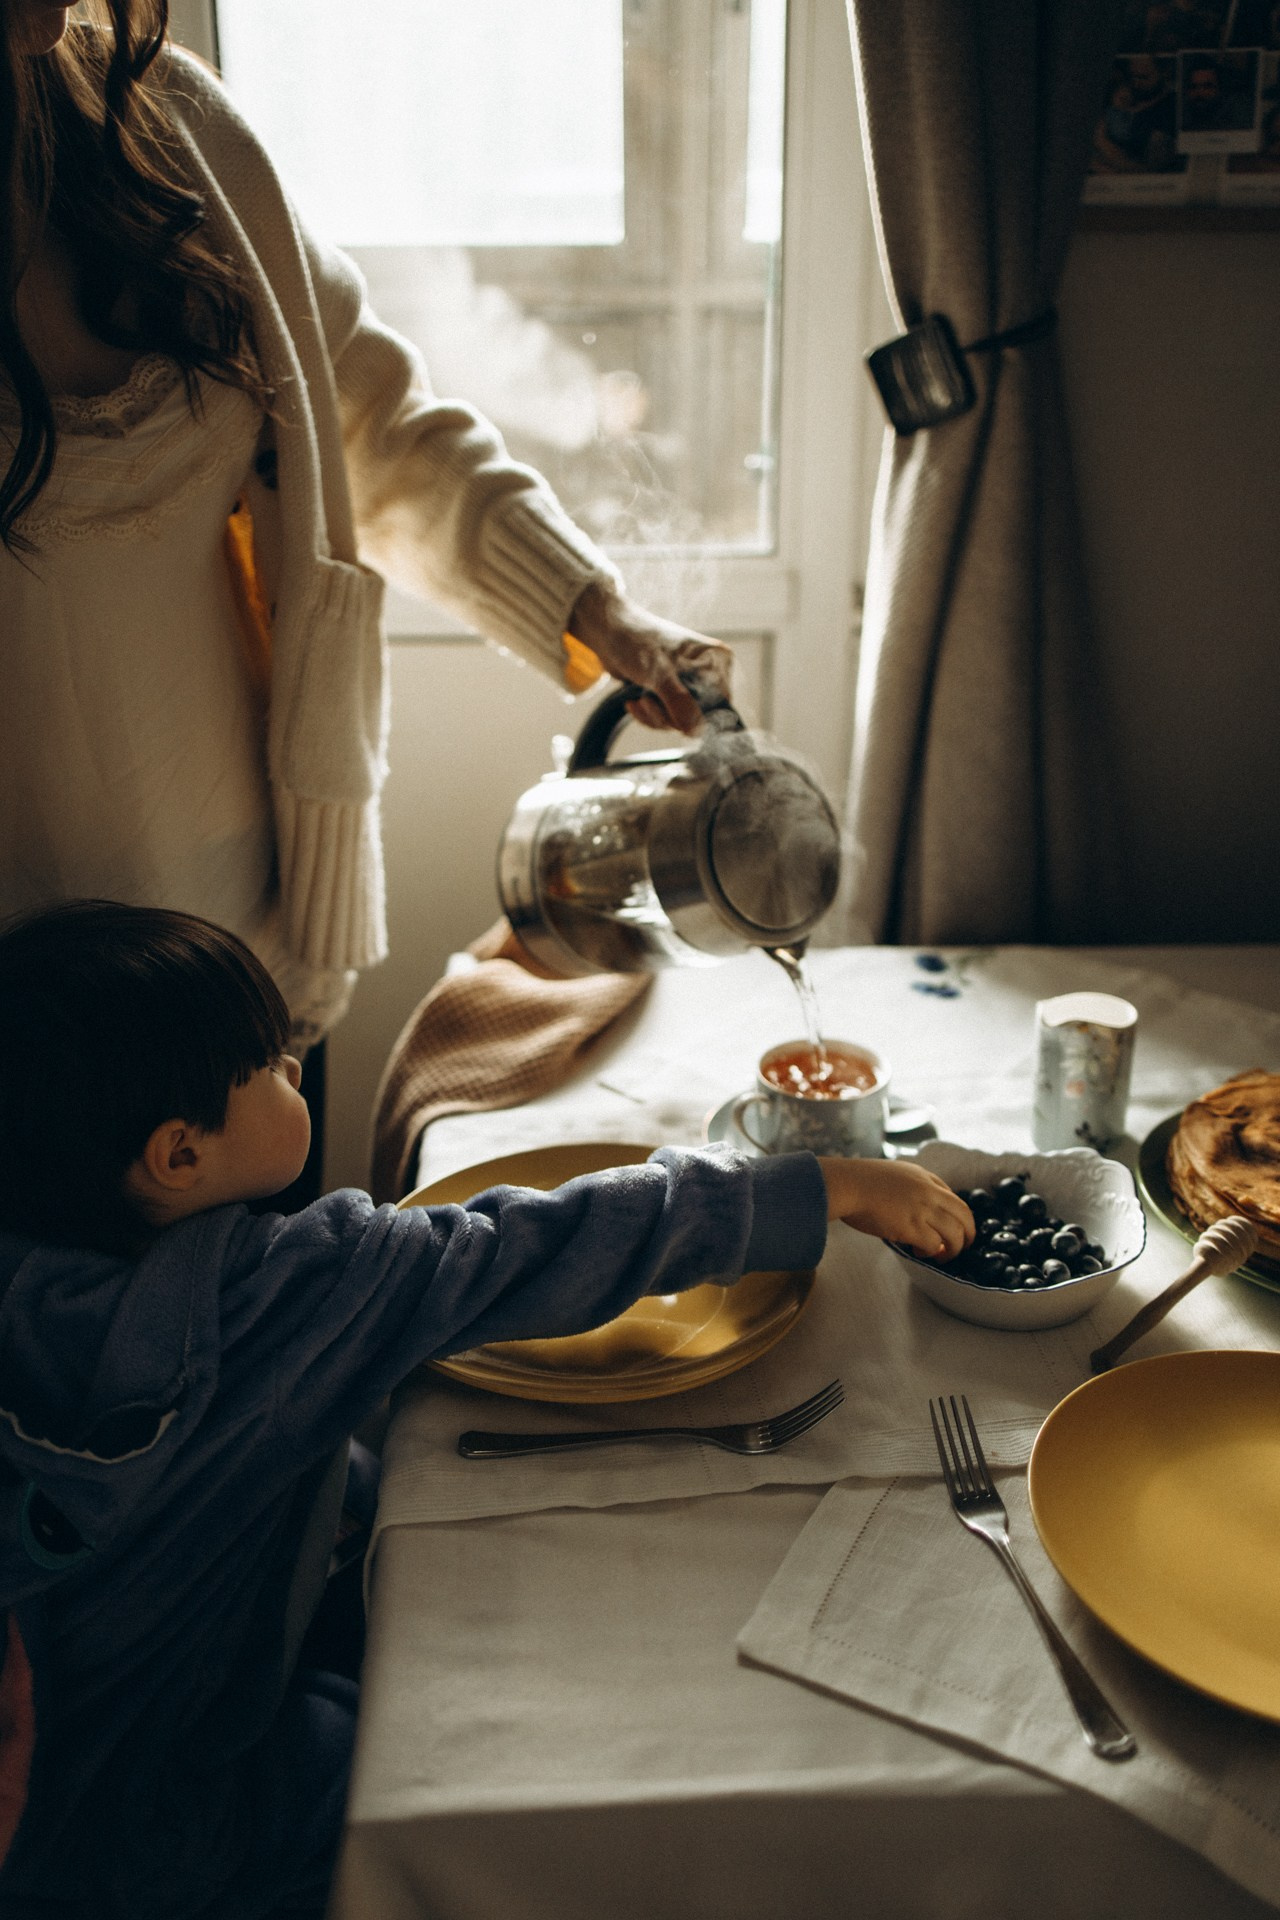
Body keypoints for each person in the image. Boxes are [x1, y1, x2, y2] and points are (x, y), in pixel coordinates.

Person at [0, 899, 974, 1917]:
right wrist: (823, 1188)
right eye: (268, 1066)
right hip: (157, 1823)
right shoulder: (294, 1290)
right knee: (419, 1761)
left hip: (40, 1762)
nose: (293, 1067)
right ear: (178, 1156)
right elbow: (541, 1245)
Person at [0, 0, 734, 1188]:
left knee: (296, 1284)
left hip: (254, 921)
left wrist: (597, 610)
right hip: (35, 1012)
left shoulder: (175, 129)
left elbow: (376, 422)